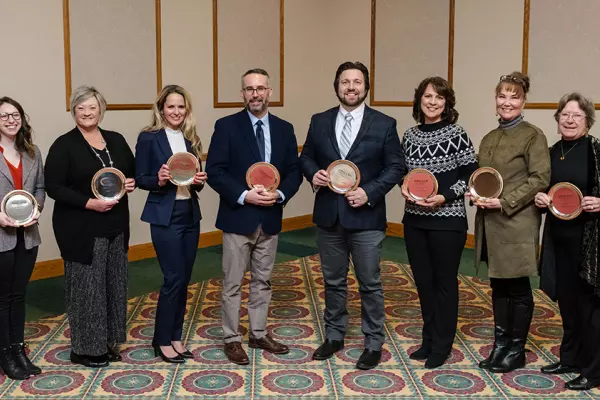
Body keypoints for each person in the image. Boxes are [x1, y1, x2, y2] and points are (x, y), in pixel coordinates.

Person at [299, 61, 404, 370]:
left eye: (357, 82)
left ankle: (373, 342)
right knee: (333, 281)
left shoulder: (384, 123)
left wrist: (369, 192)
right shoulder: (319, 121)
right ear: (337, 87)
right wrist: (312, 174)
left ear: (366, 87)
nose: (351, 87)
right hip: (329, 215)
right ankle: (334, 335)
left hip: (366, 217)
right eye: (345, 82)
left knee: (369, 282)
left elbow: (396, 167)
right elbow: (305, 157)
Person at [206, 68, 302, 365]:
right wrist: (244, 195)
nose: (255, 94)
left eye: (260, 88)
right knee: (233, 282)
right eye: (249, 89)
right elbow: (215, 171)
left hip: (270, 217)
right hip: (238, 216)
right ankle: (232, 338)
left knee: (263, 280)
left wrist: (281, 194)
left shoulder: (284, 129)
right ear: (242, 94)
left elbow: (294, 171)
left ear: (270, 92)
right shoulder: (226, 126)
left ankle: (258, 333)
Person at [45, 86, 136, 368]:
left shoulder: (116, 140)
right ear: (73, 111)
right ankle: (84, 349)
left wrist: (130, 183)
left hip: (116, 225)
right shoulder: (64, 145)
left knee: (113, 285)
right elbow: (53, 187)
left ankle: (107, 342)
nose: (87, 113)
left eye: (92, 108)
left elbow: (130, 173)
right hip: (81, 228)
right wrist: (88, 203)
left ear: (101, 110)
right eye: (81, 108)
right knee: (88, 289)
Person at [472, 72, 550, 373]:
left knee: (517, 287)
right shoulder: (490, 137)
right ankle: (500, 345)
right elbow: (485, 178)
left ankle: (516, 349)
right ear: (495, 100)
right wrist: (475, 193)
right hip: (490, 221)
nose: (507, 102)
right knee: (498, 287)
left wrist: (504, 202)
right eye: (502, 96)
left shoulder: (533, 135)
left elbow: (540, 178)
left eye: (514, 96)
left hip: (516, 221)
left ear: (523, 101)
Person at [401, 77, 478, 368]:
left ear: (447, 103)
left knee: (444, 284)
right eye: (427, 96)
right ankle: (429, 339)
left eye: (439, 98)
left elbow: (472, 176)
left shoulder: (456, 133)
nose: (432, 102)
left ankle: (442, 345)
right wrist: (403, 186)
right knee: (423, 283)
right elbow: (404, 172)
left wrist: (444, 197)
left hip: (448, 221)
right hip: (415, 221)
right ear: (419, 100)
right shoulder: (409, 135)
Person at [135, 85, 206, 363]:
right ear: (161, 109)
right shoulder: (149, 138)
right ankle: (162, 339)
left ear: (186, 109)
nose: (176, 111)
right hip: (165, 215)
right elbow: (141, 178)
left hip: (189, 212)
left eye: (180, 106)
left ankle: (176, 336)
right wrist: (160, 179)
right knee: (172, 278)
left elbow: (191, 180)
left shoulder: (190, 139)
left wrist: (199, 180)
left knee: (185, 279)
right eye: (170, 106)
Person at [536, 92, 600, 391]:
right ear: (558, 119)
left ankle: (593, 368)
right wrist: (539, 197)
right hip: (558, 239)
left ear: (588, 121)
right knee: (568, 304)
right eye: (565, 115)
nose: (570, 120)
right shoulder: (551, 151)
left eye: (577, 115)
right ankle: (570, 357)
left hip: (588, 244)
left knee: (588, 308)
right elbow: (543, 189)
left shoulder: (595, 151)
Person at [0, 97, 44, 380]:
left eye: (15, 115)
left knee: (19, 295)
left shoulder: (32, 152)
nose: (10, 120)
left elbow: (40, 187)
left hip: (27, 236)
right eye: (4, 116)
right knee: (2, 298)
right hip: (1, 236)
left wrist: (37, 208)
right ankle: (5, 353)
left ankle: (18, 349)